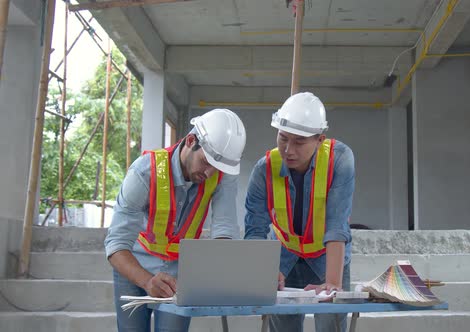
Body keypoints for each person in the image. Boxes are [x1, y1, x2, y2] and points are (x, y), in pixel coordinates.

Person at [105, 109, 246, 332]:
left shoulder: (221, 172)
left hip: (179, 272)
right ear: (191, 141)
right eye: (205, 162)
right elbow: (116, 245)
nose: (210, 173)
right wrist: (147, 281)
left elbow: (224, 227)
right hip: (135, 262)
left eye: (216, 167)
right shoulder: (144, 173)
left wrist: (222, 272)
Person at [244, 92, 355, 332]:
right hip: (283, 259)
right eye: (283, 138)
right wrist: (265, 272)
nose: (288, 150)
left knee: (331, 325)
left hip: (327, 258)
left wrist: (333, 284)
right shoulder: (263, 170)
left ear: (320, 139)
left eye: (299, 142)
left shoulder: (341, 160)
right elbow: (254, 230)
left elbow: (337, 225)